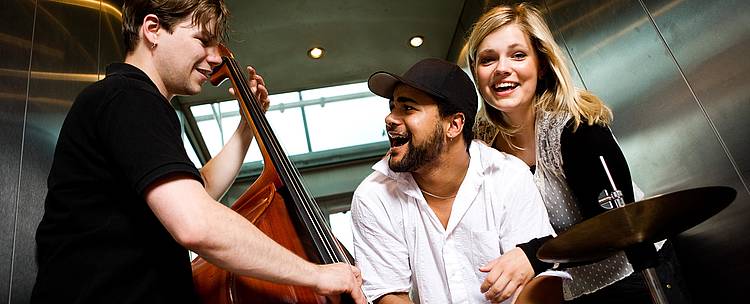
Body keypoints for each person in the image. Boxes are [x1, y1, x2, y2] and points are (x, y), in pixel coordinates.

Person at [31, 1, 364, 303]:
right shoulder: (129, 99)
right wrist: (316, 274)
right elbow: (196, 222)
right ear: (153, 30)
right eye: (203, 41)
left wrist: (247, 128)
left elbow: (198, 190)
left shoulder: (127, 103)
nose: (217, 56)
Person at [464, 3, 679, 303]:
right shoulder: (482, 140)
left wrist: (534, 256)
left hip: (635, 278)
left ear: (541, 65)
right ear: (476, 72)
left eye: (518, 55)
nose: (502, 68)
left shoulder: (578, 128)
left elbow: (615, 228)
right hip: (571, 291)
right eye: (488, 59)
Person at [350, 58, 566, 304]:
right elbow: (388, 294)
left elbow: (542, 281)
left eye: (407, 108)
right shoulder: (373, 197)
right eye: (392, 107)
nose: (390, 118)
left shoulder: (509, 178)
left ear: (453, 125)